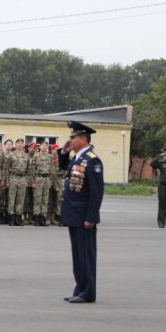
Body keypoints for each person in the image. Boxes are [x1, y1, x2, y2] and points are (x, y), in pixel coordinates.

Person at [60, 121, 103, 304]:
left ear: (84, 139)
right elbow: (63, 169)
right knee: (77, 256)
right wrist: (64, 152)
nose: (70, 139)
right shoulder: (77, 157)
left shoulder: (92, 160)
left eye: (74, 137)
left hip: (83, 216)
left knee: (86, 255)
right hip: (73, 214)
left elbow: (96, 191)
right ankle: (80, 289)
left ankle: (88, 292)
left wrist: (91, 217)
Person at [5, 138, 30, 226]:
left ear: (23, 145)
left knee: (20, 199)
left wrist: (27, 180)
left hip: (22, 178)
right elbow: (7, 169)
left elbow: (28, 169)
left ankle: (18, 218)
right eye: (18, 143)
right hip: (13, 177)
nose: (19, 145)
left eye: (21, 143)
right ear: (15, 145)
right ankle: (11, 218)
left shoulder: (26, 156)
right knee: (12, 198)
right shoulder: (11, 155)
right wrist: (7, 180)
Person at [30, 141, 53, 227]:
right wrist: (33, 181)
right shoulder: (36, 156)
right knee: (37, 199)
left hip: (46, 179)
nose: (44, 147)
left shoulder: (49, 157)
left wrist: (50, 180)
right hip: (38, 178)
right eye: (43, 145)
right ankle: (36, 218)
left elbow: (51, 169)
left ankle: (43, 218)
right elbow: (32, 170)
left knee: (45, 199)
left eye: (46, 145)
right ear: (39, 147)